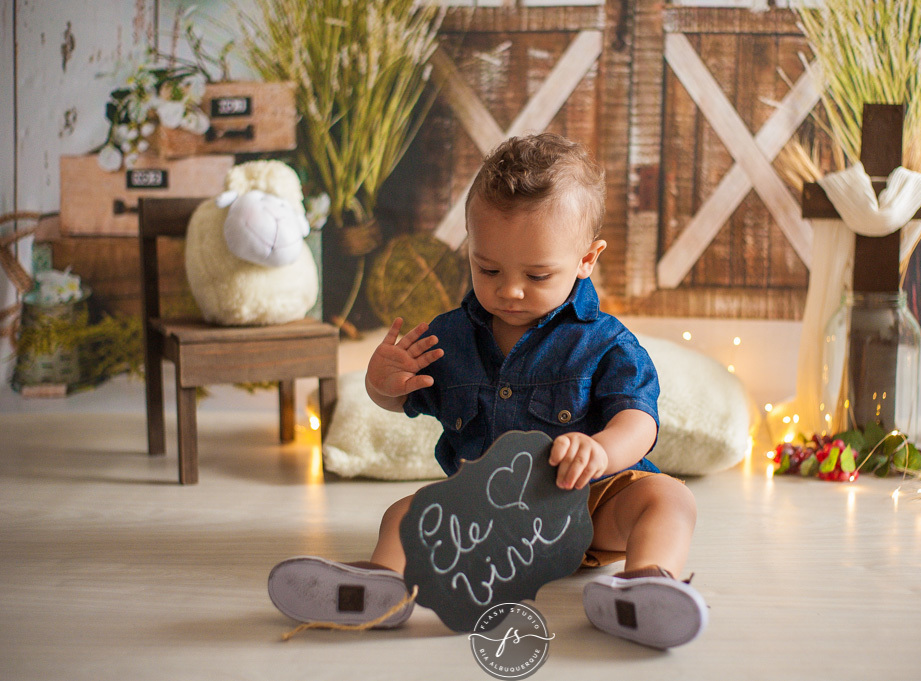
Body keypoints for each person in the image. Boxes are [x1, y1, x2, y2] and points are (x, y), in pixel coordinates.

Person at [268, 133, 707, 649]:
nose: (509, 290)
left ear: (587, 259)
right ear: (471, 248)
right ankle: (381, 586)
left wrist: (601, 450)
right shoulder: (449, 338)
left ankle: (647, 585)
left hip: (589, 508)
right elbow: (403, 399)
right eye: (488, 268)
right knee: (405, 515)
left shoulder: (605, 343)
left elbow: (639, 420)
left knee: (669, 498)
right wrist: (382, 384)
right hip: (482, 522)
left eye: (538, 274)